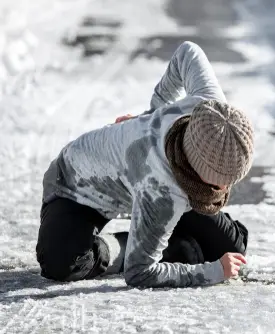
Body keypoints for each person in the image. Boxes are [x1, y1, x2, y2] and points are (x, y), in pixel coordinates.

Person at [36, 41, 254, 288]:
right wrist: (211, 272)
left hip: (157, 175)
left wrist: (151, 117)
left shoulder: (212, 109)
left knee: (232, 250)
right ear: (199, 167)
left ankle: (164, 235)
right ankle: (153, 246)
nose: (225, 187)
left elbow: (188, 52)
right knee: (61, 262)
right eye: (220, 179)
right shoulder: (162, 192)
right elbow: (139, 273)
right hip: (77, 186)